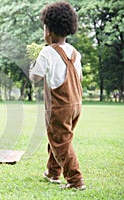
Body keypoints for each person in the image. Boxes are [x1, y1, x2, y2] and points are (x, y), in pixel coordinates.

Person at [29, 2, 86, 190]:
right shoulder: (75, 53)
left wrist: (33, 64)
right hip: (76, 104)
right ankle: (53, 172)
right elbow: (80, 77)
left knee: (60, 141)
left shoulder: (47, 52)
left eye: (44, 28)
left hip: (59, 106)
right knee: (59, 137)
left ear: (49, 31)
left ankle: (75, 180)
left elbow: (35, 77)